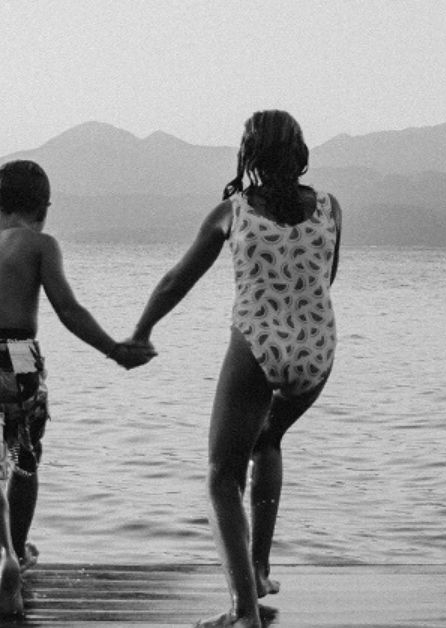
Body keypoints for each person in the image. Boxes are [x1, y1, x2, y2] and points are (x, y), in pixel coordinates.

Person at [128, 110, 341, 628]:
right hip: (317, 348)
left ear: (249, 154)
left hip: (256, 342)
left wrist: (140, 333)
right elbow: (326, 277)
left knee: (222, 478)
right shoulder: (331, 207)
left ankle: (244, 611)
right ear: (299, 150)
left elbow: (177, 280)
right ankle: (260, 568)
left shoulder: (233, 211)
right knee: (268, 441)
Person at [0, 160, 155, 618]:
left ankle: (4, 559)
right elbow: (67, 309)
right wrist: (115, 350)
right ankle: (17, 550)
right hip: (18, 356)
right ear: (45, 209)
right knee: (23, 458)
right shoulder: (41, 243)